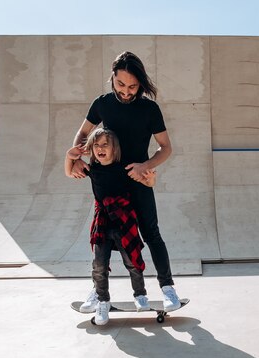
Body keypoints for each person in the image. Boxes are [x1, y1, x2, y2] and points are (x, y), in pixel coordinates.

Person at [69, 51, 180, 315]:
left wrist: (145, 165)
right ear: (113, 78)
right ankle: (97, 292)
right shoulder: (102, 103)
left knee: (151, 234)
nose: (126, 92)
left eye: (132, 86)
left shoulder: (150, 109)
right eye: (121, 85)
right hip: (107, 183)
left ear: (140, 83)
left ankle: (167, 289)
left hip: (138, 181)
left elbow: (165, 148)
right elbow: (84, 132)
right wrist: (76, 156)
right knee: (102, 241)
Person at [65, 128, 156, 325]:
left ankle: (140, 295)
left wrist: (151, 179)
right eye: (96, 145)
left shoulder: (125, 168)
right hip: (103, 222)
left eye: (105, 144)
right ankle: (102, 302)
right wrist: (69, 156)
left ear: (114, 148)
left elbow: (147, 183)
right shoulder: (93, 168)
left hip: (124, 220)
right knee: (99, 264)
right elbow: (69, 172)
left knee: (132, 261)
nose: (100, 148)